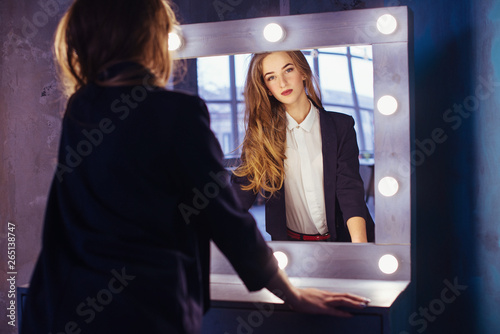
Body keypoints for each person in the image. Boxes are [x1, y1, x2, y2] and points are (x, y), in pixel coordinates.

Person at [20, 1, 370, 333]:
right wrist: (291, 294)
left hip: (60, 305)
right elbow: (225, 217)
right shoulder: (176, 112)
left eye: (289, 70)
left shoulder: (81, 108)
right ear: (152, 38)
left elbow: (62, 220)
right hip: (143, 312)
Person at [232, 51, 375, 242]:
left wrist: (360, 248)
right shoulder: (260, 136)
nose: (282, 83)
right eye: (271, 77)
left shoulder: (341, 126)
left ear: (303, 72)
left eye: (288, 70)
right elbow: (241, 193)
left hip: (344, 239)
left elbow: (349, 189)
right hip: (290, 247)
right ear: (266, 88)